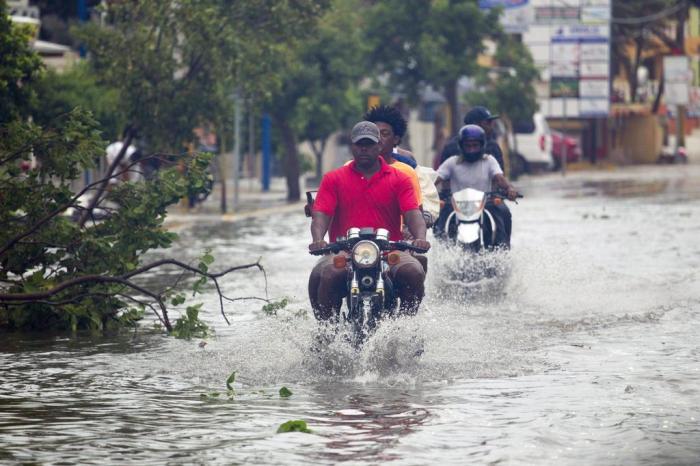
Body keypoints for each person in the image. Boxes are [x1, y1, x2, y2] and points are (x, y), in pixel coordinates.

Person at [308, 121, 430, 320]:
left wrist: (420, 237)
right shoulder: (333, 179)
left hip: (389, 251)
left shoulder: (400, 179)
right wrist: (318, 239)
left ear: (379, 146)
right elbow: (321, 213)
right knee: (327, 274)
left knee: (414, 272)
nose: (364, 148)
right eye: (359, 144)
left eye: (370, 143)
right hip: (344, 250)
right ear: (352, 146)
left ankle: (406, 329)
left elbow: (413, 213)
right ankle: (326, 334)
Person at [434, 124, 518, 248]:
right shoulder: (452, 162)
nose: (471, 149)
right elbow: (436, 178)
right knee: (439, 215)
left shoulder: (489, 161)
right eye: (468, 146)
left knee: (504, 211)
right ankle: (443, 249)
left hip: (486, 204)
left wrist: (509, 188)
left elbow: (499, 178)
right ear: (461, 146)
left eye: (475, 145)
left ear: (482, 145)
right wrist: (424, 189)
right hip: (455, 206)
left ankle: (502, 248)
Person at [363, 105, 440, 229]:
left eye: (384, 134)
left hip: (400, 237)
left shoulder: (408, 168)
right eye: (374, 134)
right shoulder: (351, 166)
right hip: (360, 236)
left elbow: (427, 198)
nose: (378, 139)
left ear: (396, 139)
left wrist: (422, 218)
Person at [438, 106, 505, 171]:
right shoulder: (452, 147)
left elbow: (499, 176)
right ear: (475, 124)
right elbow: (444, 177)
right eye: (488, 122)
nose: (491, 126)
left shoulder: (493, 146)